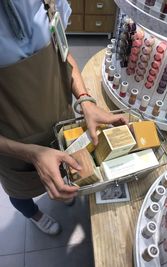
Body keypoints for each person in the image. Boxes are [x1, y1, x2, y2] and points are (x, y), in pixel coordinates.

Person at [0, 0, 126, 235]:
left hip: (61, 121)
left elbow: (63, 53)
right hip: (12, 144)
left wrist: (85, 99)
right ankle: (33, 214)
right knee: (20, 192)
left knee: (67, 173)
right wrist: (31, 153)